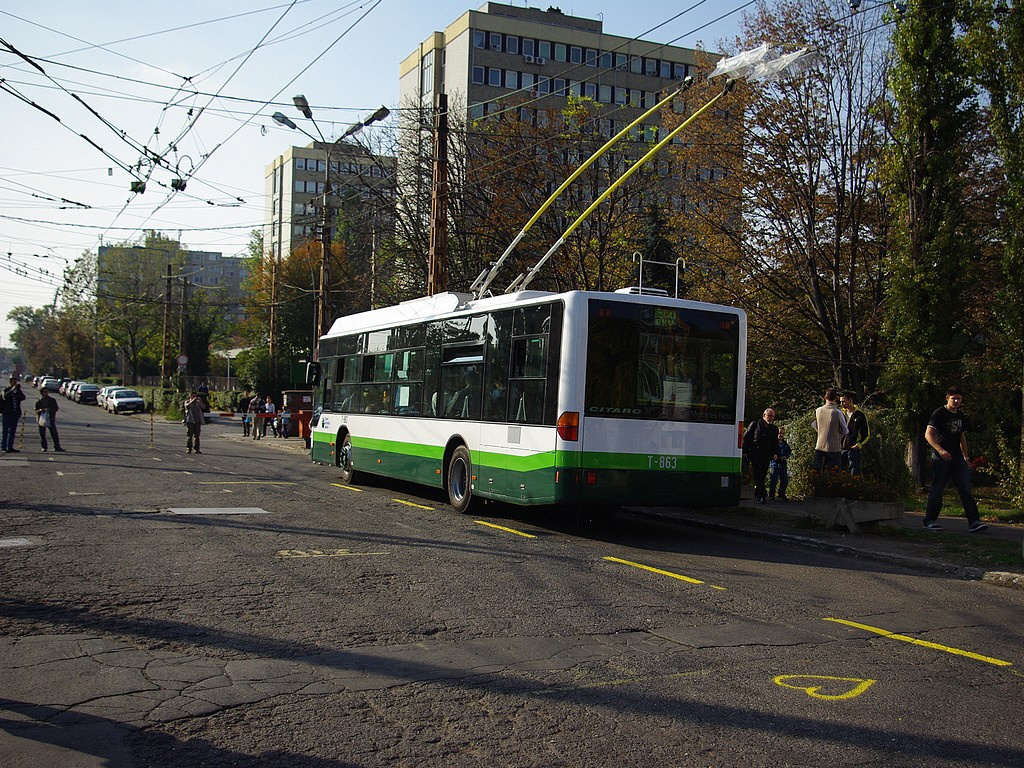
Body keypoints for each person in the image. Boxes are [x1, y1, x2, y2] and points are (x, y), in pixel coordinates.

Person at [922, 386, 988, 533]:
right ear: (947, 398)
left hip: (957, 456)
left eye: (959, 398)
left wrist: (966, 456)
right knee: (938, 488)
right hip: (941, 457)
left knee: (965, 488)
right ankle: (930, 520)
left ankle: (974, 522)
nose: (956, 401)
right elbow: (928, 434)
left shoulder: (960, 415)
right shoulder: (939, 413)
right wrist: (940, 450)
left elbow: (962, 437)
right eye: (954, 398)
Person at [743, 408, 779, 503]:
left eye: (772, 416)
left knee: (762, 475)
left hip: (766, 456)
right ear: (764, 415)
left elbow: (775, 443)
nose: (770, 418)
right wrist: (745, 452)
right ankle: (762, 495)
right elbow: (746, 438)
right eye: (769, 416)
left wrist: (775, 453)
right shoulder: (754, 425)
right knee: (757, 474)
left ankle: (757, 493)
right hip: (755, 454)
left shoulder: (774, 429)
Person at [812, 387, 848, 470]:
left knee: (817, 473)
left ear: (825, 397)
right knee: (833, 475)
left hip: (819, 446)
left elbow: (814, 425)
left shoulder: (818, 410)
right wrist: (838, 436)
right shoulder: (838, 412)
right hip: (834, 448)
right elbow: (845, 430)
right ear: (836, 398)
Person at [840, 391, 870, 475]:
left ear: (850, 400)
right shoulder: (841, 414)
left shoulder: (860, 415)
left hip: (853, 449)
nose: (841, 404)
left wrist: (858, 445)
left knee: (854, 471)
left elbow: (866, 434)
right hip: (841, 448)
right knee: (839, 471)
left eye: (843, 401)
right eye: (840, 402)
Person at [34, 387, 64, 452]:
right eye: (44, 392)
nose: (46, 393)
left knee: (54, 433)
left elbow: (56, 408)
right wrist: (40, 410)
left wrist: (49, 410)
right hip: (41, 419)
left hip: (50, 419)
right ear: (41, 393)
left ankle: (57, 447)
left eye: (47, 392)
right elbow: (35, 410)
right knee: (42, 434)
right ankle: (44, 447)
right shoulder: (39, 401)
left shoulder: (52, 400)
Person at [2, 376, 26, 453]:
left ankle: (10, 446)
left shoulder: (18, 391)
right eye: (13, 382)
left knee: (12, 431)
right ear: (10, 382)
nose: (15, 383)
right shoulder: (6, 390)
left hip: (15, 414)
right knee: (5, 431)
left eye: (15, 382)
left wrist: (17, 390)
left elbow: (23, 397)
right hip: (7, 414)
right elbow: (5, 397)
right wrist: (12, 390)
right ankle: (4, 447)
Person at [768, 426, 791, 502]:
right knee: (773, 481)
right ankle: (771, 495)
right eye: (779, 433)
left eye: (782, 433)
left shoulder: (785, 444)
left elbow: (788, 452)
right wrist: (773, 456)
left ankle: (781, 493)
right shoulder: (773, 443)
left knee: (784, 480)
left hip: (782, 464)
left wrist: (785, 456)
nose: (781, 435)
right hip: (774, 464)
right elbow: (770, 452)